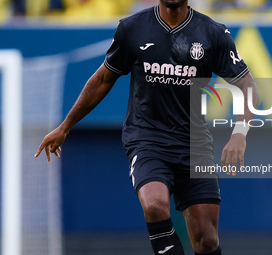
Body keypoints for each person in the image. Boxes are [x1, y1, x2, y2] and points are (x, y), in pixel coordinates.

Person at [35, 0, 259, 254]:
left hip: (194, 143)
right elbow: (102, 79)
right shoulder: (133, 28)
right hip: (147, 138)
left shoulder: (213, 33)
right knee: (154, 205)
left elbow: (247, 85)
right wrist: (65, 126)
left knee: (206, 240)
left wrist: (240, 133)